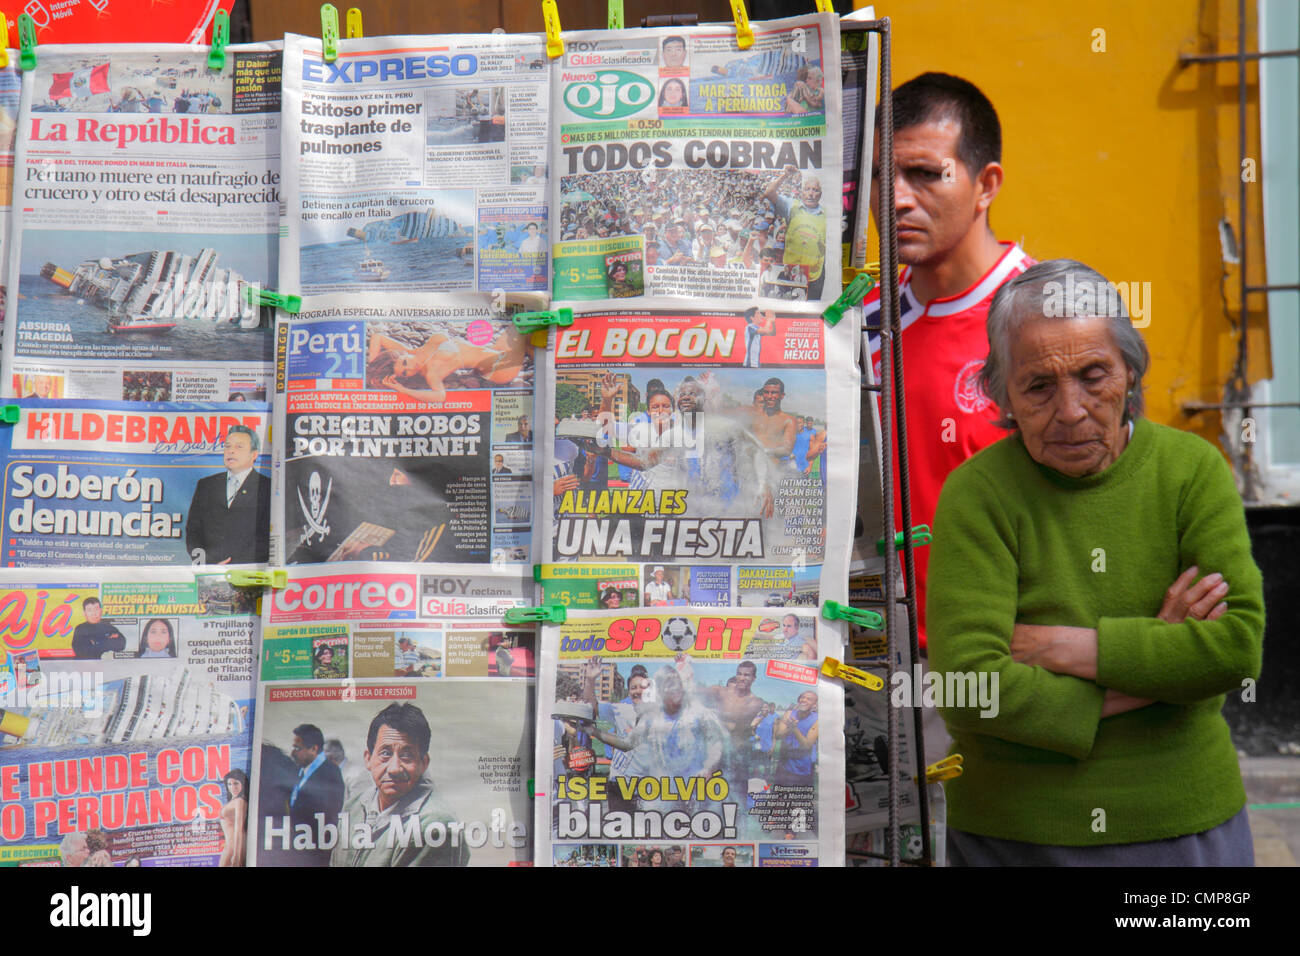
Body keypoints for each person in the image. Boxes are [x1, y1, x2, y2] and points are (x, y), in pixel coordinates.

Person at [927, 259, 1264, 865]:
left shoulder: (1192, 470)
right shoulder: (978, 494)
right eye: (1038, 386)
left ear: (1130, 372)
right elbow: (968, 687)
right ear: (1002, 394)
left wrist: (1065, 648)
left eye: (1093, 375)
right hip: (1012, 834)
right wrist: (1155, 666)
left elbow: (1235, 649)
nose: (1071, 410)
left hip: (1183, 821)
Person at [863, 72, 1035, 657]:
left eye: (924, 173)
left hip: (1004, 665)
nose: (896, 199)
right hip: (872, 663)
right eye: (881, 175)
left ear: (986, 185)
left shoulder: (1052, 324)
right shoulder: (857, 324)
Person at [331, 703, 470, 866]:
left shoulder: (435, 824)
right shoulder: (354, 806)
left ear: (424, 763)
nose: (394, 768)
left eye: (407, 755)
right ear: (368, 759)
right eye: (385, 753)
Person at [366, 326, 527, 404]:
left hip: (495, 351)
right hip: (499, 369)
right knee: (523, 327)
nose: (410, 368)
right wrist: (402, 389)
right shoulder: (431, 373)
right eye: (405, 373)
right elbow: (440, 397)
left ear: (401, 354)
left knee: (519, 325)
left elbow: (377, 337)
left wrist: (373, 366)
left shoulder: (411, 351)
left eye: (405, 363)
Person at [185, 424, 271, 565]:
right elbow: (193, 532)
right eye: (228, 446)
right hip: (209, 570)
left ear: (254, 454)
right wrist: (208, 564)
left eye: (239, 447)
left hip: (248, 570)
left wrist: (233, 566)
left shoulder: (267, 487)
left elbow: (267, 539)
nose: (231, 451)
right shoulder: (206, 485)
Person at [763, 166, 827, 299]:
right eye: (807, 189)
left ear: (820, 194)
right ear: (801, 192)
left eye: (815, 190)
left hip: (815, 275)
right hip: (791, 271)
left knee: (811, 309)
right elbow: (769, 193)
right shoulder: (791, 206)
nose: (811, 193)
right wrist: (785, 175)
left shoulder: (826, 214)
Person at [287, 723, 345, 866]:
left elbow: (327, 822)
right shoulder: (300, 769)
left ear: (314, 749)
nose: (292, 753)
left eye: (297, 748)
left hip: (314, 853)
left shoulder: (330, 774)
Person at [774, 691, 819, 789]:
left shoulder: (817, 719)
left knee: (798, 796)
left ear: (814, 704)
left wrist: (794, 729)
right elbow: (778, 735)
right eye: (802, 697)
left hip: (803, 767)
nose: (804, 700)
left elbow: (807, 745)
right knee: (779, 794)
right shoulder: (789, 713)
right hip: (784, 764)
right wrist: (789, 729)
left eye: (809, 699)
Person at [218, 769, 248, 867]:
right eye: (229, 784)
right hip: (231, 845)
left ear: (242, 783)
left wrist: (237, 855)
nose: (233, 787)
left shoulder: (239, 801)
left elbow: (239, 828)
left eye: (236, 783)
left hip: (234, 847)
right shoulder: (234, 801)